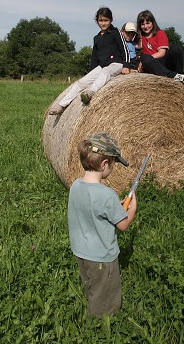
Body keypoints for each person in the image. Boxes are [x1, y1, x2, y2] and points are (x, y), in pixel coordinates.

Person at [68, 132, 137, 317]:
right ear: (104, 164)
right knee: (106, 297)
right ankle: (100, 326)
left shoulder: (75, 185)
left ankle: (93, 308)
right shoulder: (107, 195)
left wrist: (115, 208)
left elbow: (91, 211)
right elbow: (122, 225)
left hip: (80, 252)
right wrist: (131, 209)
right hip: (101, 257)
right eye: (113, 163)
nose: (113, 168)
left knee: (92, 285)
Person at [49, 7, 130, 115]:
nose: (103, 23)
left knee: (106, 72)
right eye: (101, 21)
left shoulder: (116, 32)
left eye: (106, 20)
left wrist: (126, 65)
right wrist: (91, 72)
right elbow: (94, 57)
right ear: (97, 21)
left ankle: (91, 92)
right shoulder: (96, 38)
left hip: (116, 63)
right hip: (101, 65)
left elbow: (124, 48)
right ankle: (61, 105)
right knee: (81, 82)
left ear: (111, 20)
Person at [137, 9, 184, 84]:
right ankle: (175, 76)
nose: (145, 26)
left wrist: (142, 61)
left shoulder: (160, 33)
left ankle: (179, 75)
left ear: (153, 23)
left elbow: (162, 53)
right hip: (151, 67)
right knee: (144, 57)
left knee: (175, 48)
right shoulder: (140, 37)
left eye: (148, 23)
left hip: (162, 63)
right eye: (142, 24)